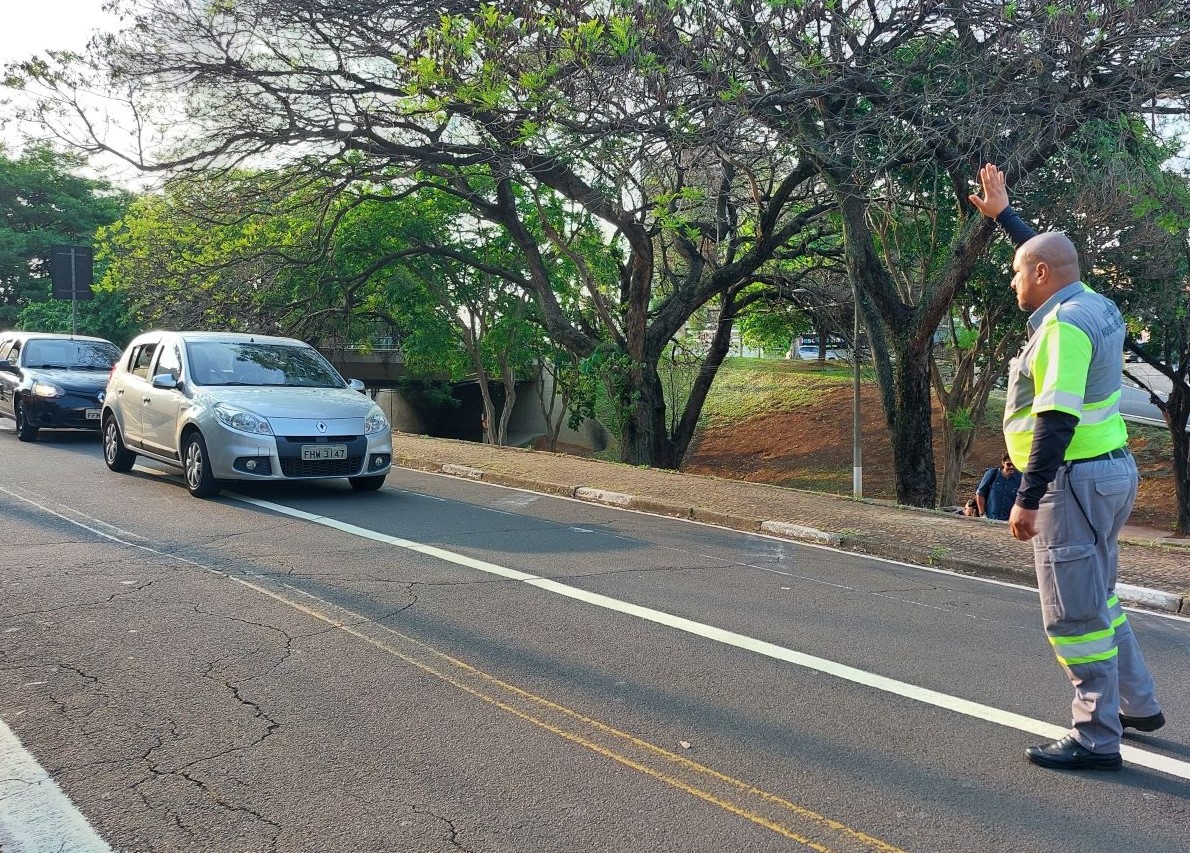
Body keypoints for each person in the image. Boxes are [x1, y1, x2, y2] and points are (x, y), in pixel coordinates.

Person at [969, 163, 1164, 771]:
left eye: (1016, 274)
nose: (1012, 282)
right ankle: (1138, 704)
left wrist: (1027, 497)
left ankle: (1096, 736)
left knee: (1074, 615)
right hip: (1109, 473)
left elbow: (1055, 419)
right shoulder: (1095, 304)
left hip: (1070, 482)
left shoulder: (1062, 329)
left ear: (1041, 277)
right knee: (1100, 598)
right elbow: (1049, 256)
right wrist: (1006, 218)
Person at [975, 453, 1022, 521]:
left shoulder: (1020, 478)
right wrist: (982, 514)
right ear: (1003, 463)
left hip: (1010, 520)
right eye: (1008, 464)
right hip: (990, 518)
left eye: (1014, 464)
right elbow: (980, 494)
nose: (1011, 467)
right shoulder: (992, 474)